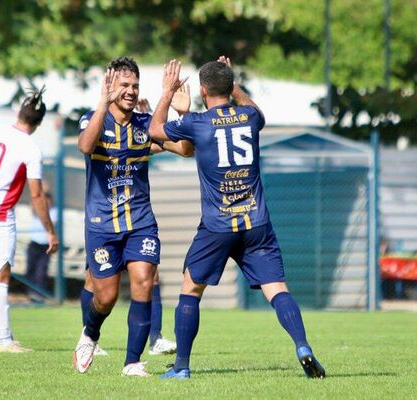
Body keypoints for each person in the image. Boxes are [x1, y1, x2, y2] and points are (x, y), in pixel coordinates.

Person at [148, 57, 326, 379]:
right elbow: (259, 113)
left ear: (202, 90)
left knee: (190, 288)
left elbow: (154, 130)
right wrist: (236, 87)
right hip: (256, 222)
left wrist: (167, 93)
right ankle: (302, 346)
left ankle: (181, 367)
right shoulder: (248, 116)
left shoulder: (199, 122)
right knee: (277, 289)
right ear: (231, 87)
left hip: (217, 225)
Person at [73, 57, 192, 377]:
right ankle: (90, 334)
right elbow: (85, 145)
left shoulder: (144, 125)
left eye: (134, 86)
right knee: (107, 296)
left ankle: (132, 362)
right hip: (102, 225)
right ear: (111, 87)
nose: (129, 91)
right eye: (123, 85)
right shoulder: (92, 120)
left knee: (143, 282)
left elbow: (185, 149)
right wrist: (102, 102)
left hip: (140, 222)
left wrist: (183, 113)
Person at [0, 87, 58, 353]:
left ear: (18, 112)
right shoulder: (30, 148)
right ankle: (2, 338)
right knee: (1, 273)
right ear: (39, 123)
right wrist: (50, 231)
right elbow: (38, 194)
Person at [26, 191, 58, 303]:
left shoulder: (54, 212)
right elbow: (33, 201)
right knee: (30, 270)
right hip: (34, 243)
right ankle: (31, 293)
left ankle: (39, 294)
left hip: (45, 246)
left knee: (41, 271)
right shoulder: (37, 210)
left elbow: (51, 224)